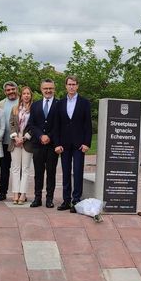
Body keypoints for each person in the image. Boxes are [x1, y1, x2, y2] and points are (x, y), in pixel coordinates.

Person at [54, 75, 92, 211]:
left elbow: (88, 125)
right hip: (64, 145)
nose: (71, 86)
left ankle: (76, 201)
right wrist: (57, 144)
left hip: (79, 145)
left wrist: (87, 143)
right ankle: (66, 200)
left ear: (77, 86)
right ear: (65, 86)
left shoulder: (84, 103)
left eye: (74, 84)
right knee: (65, 172)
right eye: (69, 84)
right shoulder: (60, 103)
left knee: (77, 172)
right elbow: (56, 125)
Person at [28, 79, 61, 208]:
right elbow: (31, 124)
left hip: (52, 145)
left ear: (54, 89)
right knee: (38, 172)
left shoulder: (59, 104)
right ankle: (37, 198)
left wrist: (49, 136)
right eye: (45, 88)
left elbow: (60, 125)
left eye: (50, 88)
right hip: (38, 144)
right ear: (41, 89)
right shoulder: (35, 105)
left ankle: (49, 199)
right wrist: (41, 135)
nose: (48, 91)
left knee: (51, 173)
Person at [9, 86, 34, 205]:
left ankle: (23, 194)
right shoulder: (15, 109)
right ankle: (15, 193)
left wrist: (24, 138)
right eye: (24, 93)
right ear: (21, 95)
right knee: (15, 168)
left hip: (27, 141)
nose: (26, 95)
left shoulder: (34, 109)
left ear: (31, 95)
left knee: (25, 169)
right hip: (15, 140)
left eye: (28, 93)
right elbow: (11, 124)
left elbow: (34, 126)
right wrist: (16, 137)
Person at [0, 81, 19, 201]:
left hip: (19, 142)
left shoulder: (23, 102)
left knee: (18, 168)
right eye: (8, 90)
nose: (11, 92)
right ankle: (2, 192)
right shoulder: (0, 104)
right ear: (5, 92)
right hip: (4, 142)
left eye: (13, 89)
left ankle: (19, 193)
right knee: (4, 168)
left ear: (16, 89)